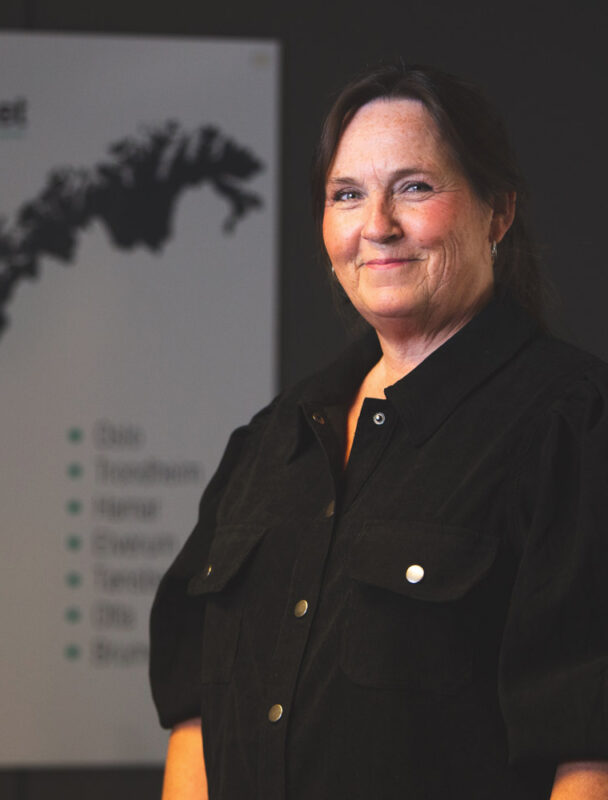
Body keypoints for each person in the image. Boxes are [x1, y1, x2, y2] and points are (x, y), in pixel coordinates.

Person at [150, 63, 608, 799]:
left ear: (497, 213)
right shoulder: (274, 442)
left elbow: (590, 754)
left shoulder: (573, 426)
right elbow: (195, 719)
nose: (377, 226)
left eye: (415, 187)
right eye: (347, 195)